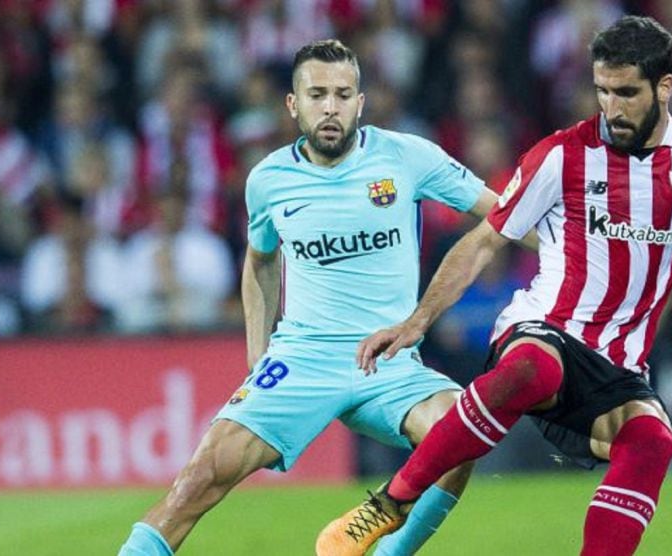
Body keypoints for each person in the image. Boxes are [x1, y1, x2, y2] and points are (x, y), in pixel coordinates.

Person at [317, 16, 672, 555]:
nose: (611, 107)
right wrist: (417, 323)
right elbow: (484, 241)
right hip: (543, 333)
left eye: (626, 93)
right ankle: (387, 506)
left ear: (665, 86)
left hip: (617, 367)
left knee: (654, 442)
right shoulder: (562, 155)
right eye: (601, 91)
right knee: (534, 368)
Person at [118, 39, 509, 556]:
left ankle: (390, 552)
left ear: (360, 103)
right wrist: (258, 356)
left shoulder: (408, 156)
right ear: (293, 104)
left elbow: (506, 212)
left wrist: (580, 241)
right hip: (302, 359)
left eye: (343, 94)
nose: (330, 107)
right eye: (317, 94)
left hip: (389, 362)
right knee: (200, 479)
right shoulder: (268, 180)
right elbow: (259, 260)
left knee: (462, 435)